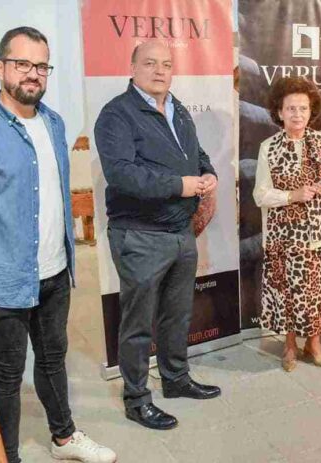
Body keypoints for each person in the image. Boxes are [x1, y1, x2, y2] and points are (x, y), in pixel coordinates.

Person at [0, 27, 116, 463]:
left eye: (41, 66)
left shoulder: (54, 124)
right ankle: (6, 455)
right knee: (8, 374)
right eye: (22, 63)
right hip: (1, 280)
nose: (33, 73)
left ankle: (63, 438)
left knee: (53, 360)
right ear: (0, 68)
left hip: (55, 271)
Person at [94, 40, 221, 431]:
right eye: (150, 63)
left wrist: (208, 172)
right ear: (132, 68)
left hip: (181, 230)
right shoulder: (116, 114)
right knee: (138, 324)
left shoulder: (177, 108)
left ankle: (176, 379)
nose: (159, 70)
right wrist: (180, 186)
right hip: (140, 234)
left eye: (166, 64)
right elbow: (122, 174)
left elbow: (194, 154)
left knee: (177, 314)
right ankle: (136, 400)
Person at [253, 76, 321, 372]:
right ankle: (290, 346)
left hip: (319, 236)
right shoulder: (268, 147)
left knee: (316, 292)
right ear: (279, 112)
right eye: (291, 109)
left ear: (311, 111)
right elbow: (260, 195)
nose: (297, 114)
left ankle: (314, 345)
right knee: (288, 294)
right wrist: (291, 195)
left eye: (303, 108)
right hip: (284, 239)